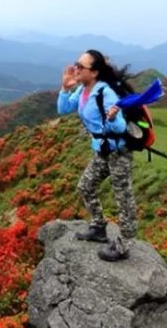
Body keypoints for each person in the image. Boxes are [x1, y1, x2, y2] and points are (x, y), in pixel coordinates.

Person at [56, 49, 139, 262]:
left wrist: (112, 117)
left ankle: (124, 245)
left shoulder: (105, 93)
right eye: (76, 64)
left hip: (118, 151)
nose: (76, 69)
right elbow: (63, 109)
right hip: (102, 150)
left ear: (94, 73)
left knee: (123, 198)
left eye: (81, 66)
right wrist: (65, 89)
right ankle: (99, 228)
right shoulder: (83, 91)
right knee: (85, 186)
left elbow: (120, 127)